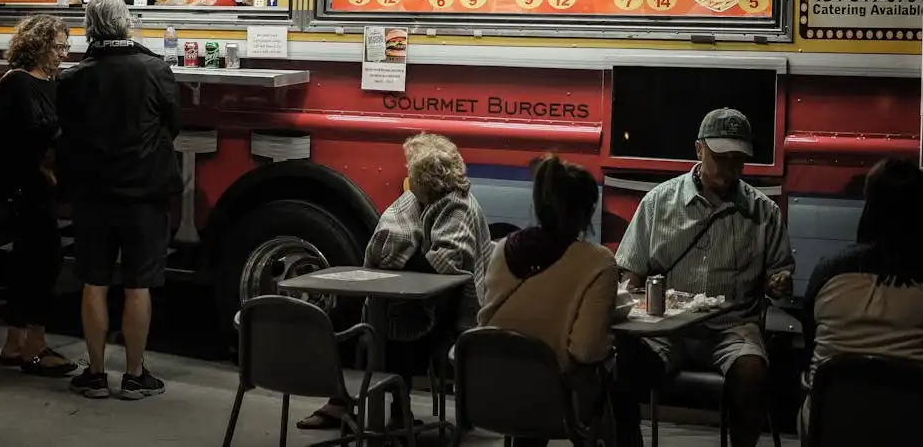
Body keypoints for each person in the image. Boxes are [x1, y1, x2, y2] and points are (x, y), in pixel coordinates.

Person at [612, 108, 794, 447]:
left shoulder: (764, 212)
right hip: (667, 329)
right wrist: (629, 301)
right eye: (721, 157)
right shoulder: (657, 203)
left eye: (738, 160)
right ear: (699, 150)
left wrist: (778, 283)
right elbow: (631, 273)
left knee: (752, 373)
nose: (730, 169)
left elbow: (780, 279)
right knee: (620, 370)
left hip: (733, 329)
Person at [297, 133, 492, 432]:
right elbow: (392, 236)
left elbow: (442, 266)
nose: (407, 176)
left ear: (425, 178)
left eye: (411, 171)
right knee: (355, 317)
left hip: (448, 311)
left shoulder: (458, 207)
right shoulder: (416, 200)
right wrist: (403, 253)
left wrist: (400, 255)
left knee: (392, 333)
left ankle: (395, 413)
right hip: (408, 297)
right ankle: (345, 402)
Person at [56, 0, 181, 401]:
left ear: (89, 27)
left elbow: (67, 134)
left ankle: (94, 374)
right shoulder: (156, 70)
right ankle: (134, 375)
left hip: (92, 194)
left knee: (94, 281)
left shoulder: (72, 78)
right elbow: (172, 125)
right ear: (126, 23)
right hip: (144, 193)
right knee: (138, 284)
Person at [798, 158, 923, 445]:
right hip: (915, 432)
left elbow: (810, 343)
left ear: (868, 206)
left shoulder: (828, 272)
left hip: (831, 428)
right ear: (922, 211)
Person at [480, 154, 618, 447]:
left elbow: (488, 319)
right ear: (586, 212)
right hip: (554, 405)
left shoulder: (501, 248)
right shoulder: (598, 262)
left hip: (486, 393)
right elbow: (586, 349)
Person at [0, 14, 77, 377]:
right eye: (58, 46)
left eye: (66, 46)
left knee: (26, 265)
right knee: (44, 263)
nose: (63, 53)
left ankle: (15, 342)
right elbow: (20, 137)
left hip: (38, 188)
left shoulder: (53, 82)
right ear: (37, 45)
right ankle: (35, 344)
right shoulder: (17, 83)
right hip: (22, 189)